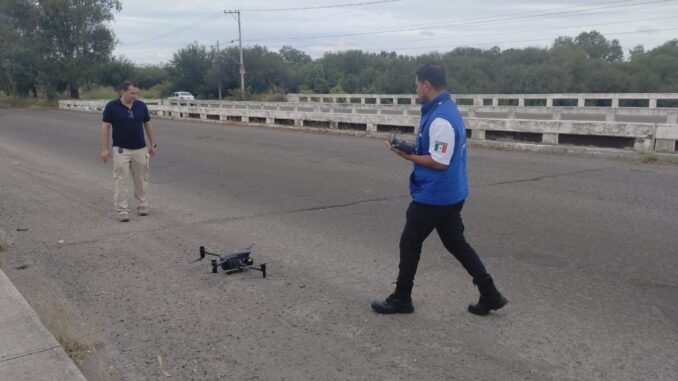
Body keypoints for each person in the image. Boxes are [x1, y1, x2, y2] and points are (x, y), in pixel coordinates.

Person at [372, 63, 508, 316]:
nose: (415, 89)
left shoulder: (441, 119)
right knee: (456, 243)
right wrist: (413, 148)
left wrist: (406, 156)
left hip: (436, 195)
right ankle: (490, 294)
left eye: (416, 84)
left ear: (426, 85)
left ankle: (401, 298)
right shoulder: (444, 109)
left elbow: (439, 162)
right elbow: (436, 151)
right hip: (451, 193)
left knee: (410, 242)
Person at [100, 81, 157, 222]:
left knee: (141, 179)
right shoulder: (112, 106)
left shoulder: (141, 106)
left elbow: (147, 124)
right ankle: (122, 210)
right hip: (121, 150)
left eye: (137, 93)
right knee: (121, 180)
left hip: (140, 148)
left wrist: (153, 143)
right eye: (132, 93)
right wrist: (105, 149)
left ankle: (142, 205)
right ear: (123, 92)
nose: (135, 96)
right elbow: (105, 127)